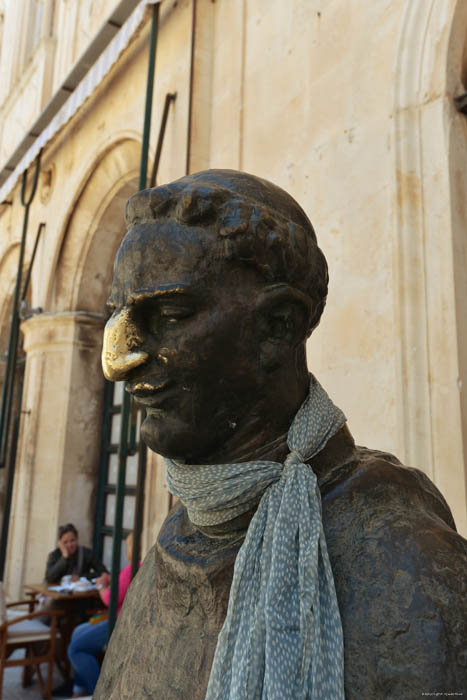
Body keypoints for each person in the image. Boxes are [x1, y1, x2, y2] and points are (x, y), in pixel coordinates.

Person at [95, 170, 467, 699]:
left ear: (279, 327)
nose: (117, 361)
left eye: (170, 314)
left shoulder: (404, 559)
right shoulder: (179, 540)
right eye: (118, 317)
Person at [65, 533, 138, 698]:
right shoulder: (139, 568)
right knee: (77, 632)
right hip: (120, 619)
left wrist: (101, 586)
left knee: (76, 649)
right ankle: (79, 688)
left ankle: (98, 692)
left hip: (118, 623)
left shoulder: (132, 569)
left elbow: (110, 599)